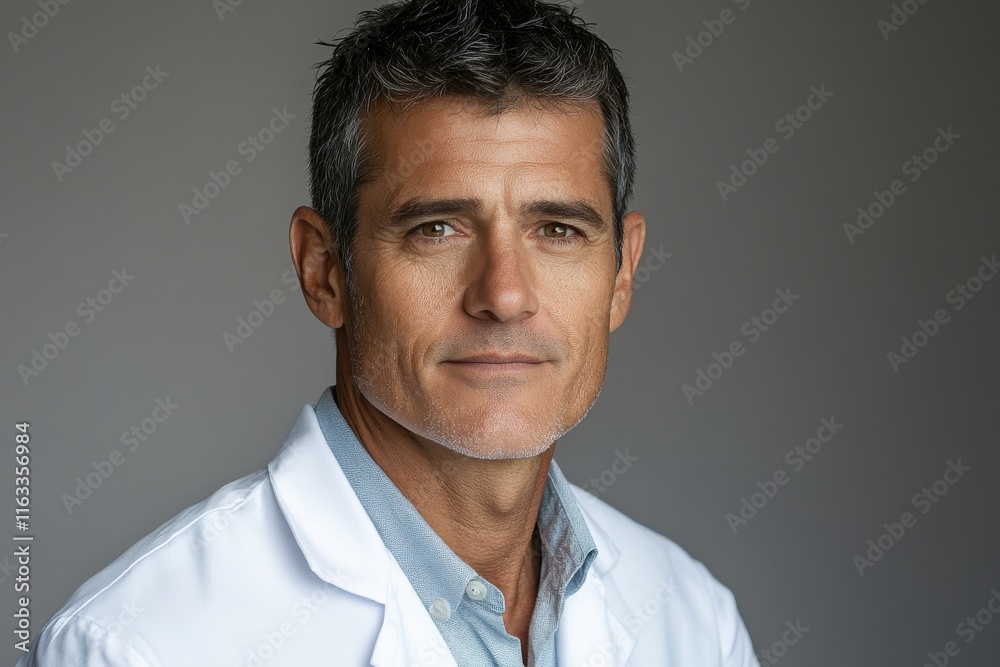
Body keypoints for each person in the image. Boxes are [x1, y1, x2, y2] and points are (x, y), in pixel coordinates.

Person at [18, 1, 758, 665]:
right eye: (436, 228)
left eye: (557, 230)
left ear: (621, 273)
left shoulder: (693, 623)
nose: (503, 294)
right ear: (324, 270)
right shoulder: (136, 645)